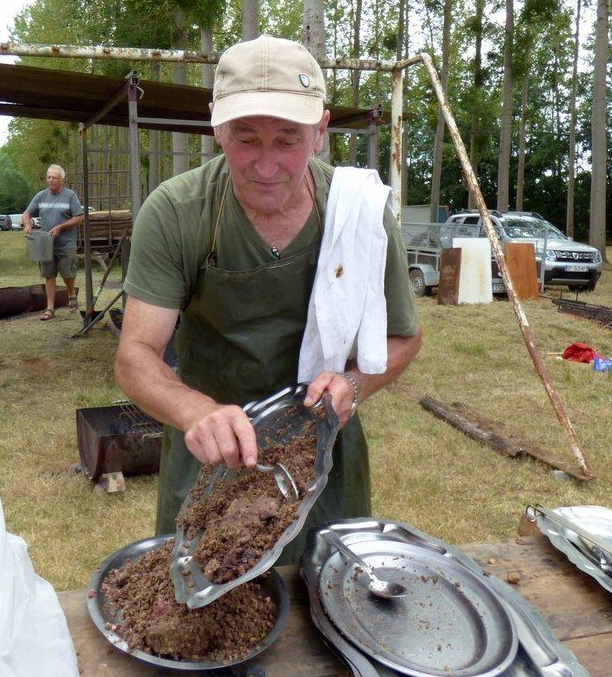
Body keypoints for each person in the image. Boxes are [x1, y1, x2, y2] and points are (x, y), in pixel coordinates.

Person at [115, 35, 422, 562]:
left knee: (326, 603)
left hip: (323, 460)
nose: (264, 164)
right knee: (203, 611)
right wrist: (198, 413)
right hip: (212, 457)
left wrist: (351, 383)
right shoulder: (177, 213)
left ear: (321, 131)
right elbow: (135, 356)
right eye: (245, 138)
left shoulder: (360, 216)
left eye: (287, 140)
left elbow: (404, 336)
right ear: (215, 125)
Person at [21, 164, 84, 320]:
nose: (50, 180)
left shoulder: (70, 195)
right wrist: (28, 225)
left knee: (68, 274)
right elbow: (26, 213)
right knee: (49, 275)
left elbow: (79, 217)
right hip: (46, 244)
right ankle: (50, 308)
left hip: (66, 244)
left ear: (62, 180)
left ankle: (70, 293)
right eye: (48, 177)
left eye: (54, 178)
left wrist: (61, 227)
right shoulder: (41, 196)